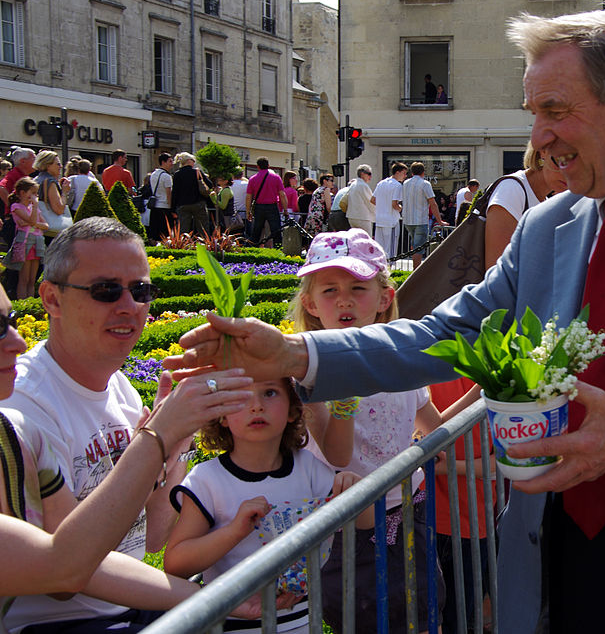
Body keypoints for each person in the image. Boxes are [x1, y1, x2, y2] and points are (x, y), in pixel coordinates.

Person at [169, 6, 605, 634]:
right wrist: (295, 357)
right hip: (557, 553)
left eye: (556, 111)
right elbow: (443, 334)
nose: (538, 139)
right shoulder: (548, 227)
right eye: (533, 113)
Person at [0, 217, 238, 632]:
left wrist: (175, 444)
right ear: (51, 299)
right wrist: (158, 437)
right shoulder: (21, 407)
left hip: (128, 609)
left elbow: (148, 539)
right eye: (105, 290)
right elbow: (68, 574)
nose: (129, 306)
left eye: (141, 290)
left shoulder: (123, 390)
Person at [286, 230, 444, 634]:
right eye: (330, 289)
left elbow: (433, 424)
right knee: (361, 620)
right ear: (310, 302)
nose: (344, 299)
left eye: (358, 287)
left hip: (409, 509)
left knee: (424, 613)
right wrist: (344, 391)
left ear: (384, 298)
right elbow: (337, 455)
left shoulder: (401, 360)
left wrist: (484, 390)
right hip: (348, 526)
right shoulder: (309, 371)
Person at [165, 377, 348, 633]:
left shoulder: (309, 468)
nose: (256, 406)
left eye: (270, 393)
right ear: (222, 415)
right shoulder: (207, 480)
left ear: (293, 410)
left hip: (303, 620)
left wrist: (352, 488)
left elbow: (363, 522)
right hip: (232, 624)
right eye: (240, 397)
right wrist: (234, 531)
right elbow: (176, 563)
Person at [484, 142, 559, 268]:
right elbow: (496, 271)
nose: (570, 172)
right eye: (563, 160)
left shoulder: (544, 201)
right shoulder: (511, 190)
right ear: (543, 153)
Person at [6, 178, 48, 299]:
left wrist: (31, 223)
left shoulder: (33, 208)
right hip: (25, 243)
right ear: (23, 193)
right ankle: (22, 303)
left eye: (36, 193)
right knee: (24, 278)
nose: (35, 196)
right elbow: (32, 220)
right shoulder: (16, 206)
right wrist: (34, 210)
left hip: (37, 243)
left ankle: (30, 302)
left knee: (32, 279)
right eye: (33, 193)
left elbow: (45, 225)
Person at [401, 161, 446, 268]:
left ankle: (414, 269)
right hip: (420, 219)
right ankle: (415, 272)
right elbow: (433, 204)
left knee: (415, 244)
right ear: (423, 172)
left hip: (408, 219)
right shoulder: (425, 184)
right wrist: (440, 221)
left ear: (412, 172)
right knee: (419, 247)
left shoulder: (405, 183)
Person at [246, 158, 288, 248]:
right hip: (272, 206)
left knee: (256, 231)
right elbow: (282, 195)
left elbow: (248, 197)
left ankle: (252, 250)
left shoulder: (253, 179)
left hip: (259, 207)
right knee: (276, 231)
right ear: (268, 166)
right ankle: (278, 250)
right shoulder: (276, 178)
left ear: (257, 167)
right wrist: (285, 209)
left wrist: (248, 211)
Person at [170, 152, 211, 234]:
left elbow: (175, 192)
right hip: (198, 203)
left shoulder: (177, 174)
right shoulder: (196, 172)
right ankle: (203, 244)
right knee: (202, 227)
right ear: (189, 161)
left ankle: (183, 244)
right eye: (193, 161)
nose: (194, 163)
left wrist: (173, 208)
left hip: (183, 204)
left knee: (183, 228)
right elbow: (209, 184)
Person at [371, 162, 405, 258]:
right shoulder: (397, 185)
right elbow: (394, 204)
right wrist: (400, 208)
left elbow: (373, 200)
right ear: (397, 172)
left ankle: (380, 267)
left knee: (379, 247)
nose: (405, 176)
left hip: (379, 219)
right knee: (390, 247)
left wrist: (383, 205)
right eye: (404, 173)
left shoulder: (381, 183)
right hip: (391, 220)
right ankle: (390, 266)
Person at [148, 153, 175, 241]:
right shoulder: (166, 176)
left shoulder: (153, 174)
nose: (172, 163)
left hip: (155, 205)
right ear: (163, 162)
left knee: (155, 230)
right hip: (164, 206)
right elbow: (169, 193)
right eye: (170, 161)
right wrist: (171, 207)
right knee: (165, 231)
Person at [346, 164, 375, 236]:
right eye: (369, 174)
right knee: (367, 241)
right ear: (362, 174)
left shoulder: (353, 184)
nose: (370, 177)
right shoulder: (363, 185)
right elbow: (370, 202)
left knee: (355, 240)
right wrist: (377, 215)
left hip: (352, 217)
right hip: (362, 218)